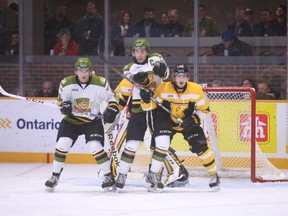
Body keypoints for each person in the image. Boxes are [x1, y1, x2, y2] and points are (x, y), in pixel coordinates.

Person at [44, 57, 120, 192]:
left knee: (95, 147)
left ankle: (108, 176)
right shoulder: (66, 83)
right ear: (76, 71)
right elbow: (62, 103)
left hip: (91, 122)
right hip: (71, 121)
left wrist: (112, 109)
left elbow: (112, 99)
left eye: (86, 70)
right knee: (62, 144)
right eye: (80, 70)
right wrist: (65, 106)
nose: (83, 73)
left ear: (91, 71)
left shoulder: (100, 83)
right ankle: (55, 176)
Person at [139, 64, 220, 190]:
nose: (181, 79)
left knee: (201, 146)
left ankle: (214, 175)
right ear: (174, 77)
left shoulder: (196, 89)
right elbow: (149, 107)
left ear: (188, 77)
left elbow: (204, 110)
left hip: (188, 123)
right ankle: (153, 177)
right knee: (159, 145)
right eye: (178, 76)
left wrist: (193, 119)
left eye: (184, 76)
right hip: (167, 122)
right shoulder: (163, 88)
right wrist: (145, 100)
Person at [114, 38, 172, 192]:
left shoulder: (156, 58)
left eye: (143, 51)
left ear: (147, 51)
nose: (140, 54)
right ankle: (122, 174)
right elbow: (144, 81)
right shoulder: (129, 68)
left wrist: (160, 68)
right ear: (133, 53)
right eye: (137, 51)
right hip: (139, 108)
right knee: (132, 145)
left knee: (163, 143)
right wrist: (147, 81)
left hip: (158, 107)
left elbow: (165, 74)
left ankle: (153, 175)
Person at [113, 78, 189, 187]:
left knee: (159, 146)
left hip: (154, 117)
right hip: (138, 117)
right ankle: (120, 173)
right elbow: (120, 100)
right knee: (132, 146)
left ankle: (177, 171)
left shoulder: (157, 79)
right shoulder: (127, 82)